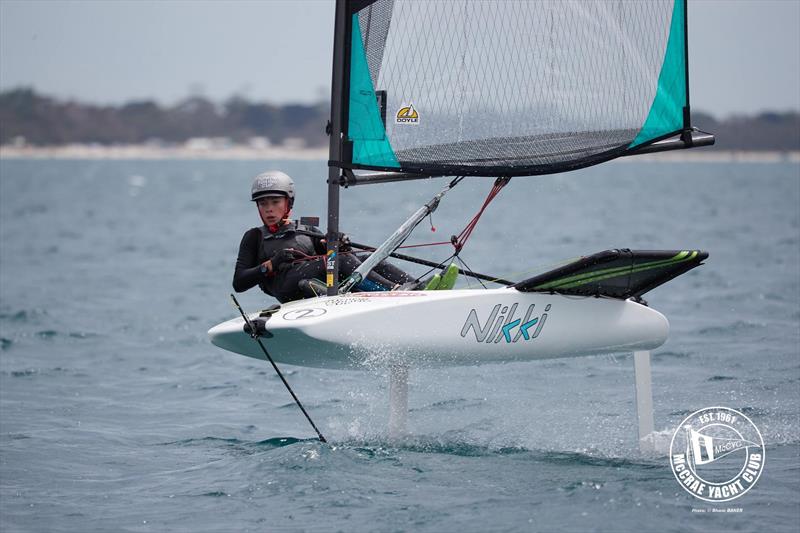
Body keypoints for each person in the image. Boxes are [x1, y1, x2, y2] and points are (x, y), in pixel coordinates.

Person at [233, 170, 417, 303]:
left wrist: (340, 245)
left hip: (315, 283)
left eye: (275, 202)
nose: (269, 209)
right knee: (337, 260)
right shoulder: (254, 236)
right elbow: (239, 282)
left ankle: (417, 287)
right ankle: (395, 292)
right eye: (263, 204)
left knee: (369, 258)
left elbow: (337, 257)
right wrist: (273, 263)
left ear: (289, 203)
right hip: (286, 289)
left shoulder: (306, 227)